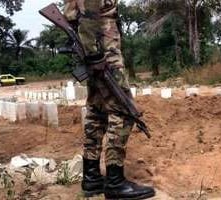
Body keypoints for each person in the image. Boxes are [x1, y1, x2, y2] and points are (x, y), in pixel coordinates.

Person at [63, 0, 155, 199]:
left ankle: (92, 177)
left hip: (96, 51)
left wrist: (91, 52)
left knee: (97, 111)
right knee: (123, 111)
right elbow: (87, 10)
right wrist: (95, 55)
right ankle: (115, 182)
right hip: (103, 55)